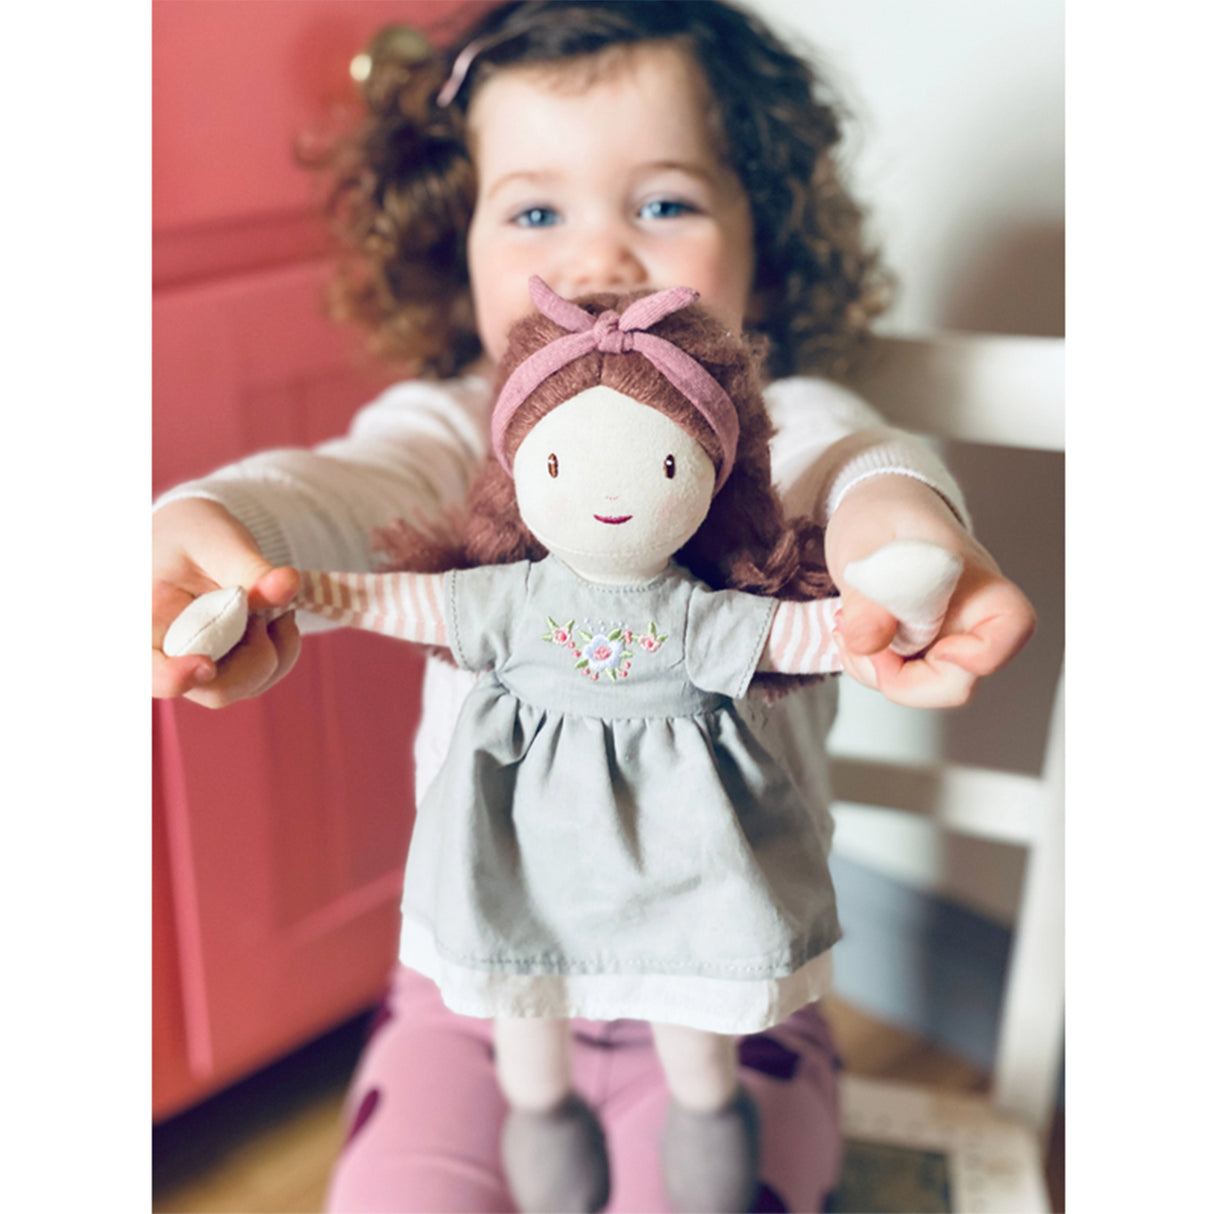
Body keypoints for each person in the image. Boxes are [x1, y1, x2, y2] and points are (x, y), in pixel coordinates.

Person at [152, 3, 1035, 1211]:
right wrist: (218, 526)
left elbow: (849, 462)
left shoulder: (778, 421)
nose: (600, 257)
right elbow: (345, 484)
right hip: (483, 977)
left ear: (757, 229)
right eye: (533, 210)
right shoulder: (457, 425)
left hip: (734, 980)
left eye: (662, 203)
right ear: (452, 243)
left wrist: (898, 535)